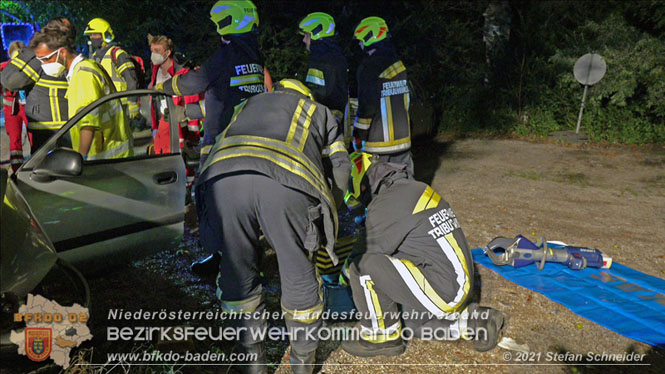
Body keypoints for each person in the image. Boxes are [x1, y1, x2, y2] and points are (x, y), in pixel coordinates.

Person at [196, 79, 350, 374]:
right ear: (304, 95)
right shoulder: (318, 110)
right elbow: (341, 166)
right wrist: (330, 209)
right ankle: (303, 361)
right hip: (285, 181)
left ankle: (252, 361)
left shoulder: (246, 105)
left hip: (222, 181)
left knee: (237, 268)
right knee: (297, 270)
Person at [339, 153, 504, 357]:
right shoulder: (412, 189)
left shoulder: (388, 203)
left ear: (361, 185)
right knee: (406, 320)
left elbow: (365, 251)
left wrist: (343, 277)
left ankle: (381, 338)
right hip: (456, 284)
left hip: (444, 289)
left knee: (361, 266)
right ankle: (477, 321)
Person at [154, 0, 266, 276]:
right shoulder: (252, 57)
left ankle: (224, 262)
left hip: (220, 146)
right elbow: (226, 99)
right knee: (242, 206)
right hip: (247, 141)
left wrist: (163, 87)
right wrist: (188, 112)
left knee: (210, 202)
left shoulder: (225, 57)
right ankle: (243, 258)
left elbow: (195, 81)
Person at [30, 27, 133, 160]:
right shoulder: (83, 69)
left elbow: (87, 122)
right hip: (107, 155)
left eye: (45, 59)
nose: (43, 64)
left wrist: (79, 158)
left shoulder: (83, 74)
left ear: (62, 52)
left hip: (106, 159)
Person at [352, 17, 414, 176]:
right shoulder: (399, 64)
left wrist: (358, 136)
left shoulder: (368, 67)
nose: (359, 44)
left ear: (368, 38)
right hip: (403, 141)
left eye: (360, 40)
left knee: (380, 191)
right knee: (406, 186)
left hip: (379, 144)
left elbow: (366, 107)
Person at [0, 18, 72, 151]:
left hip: (48, 131)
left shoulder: (42, 57)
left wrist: (29, 51)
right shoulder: (65, 54)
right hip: (64, 128)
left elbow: (9, 81)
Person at [298, 12, 349, 146]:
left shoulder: (319, 61)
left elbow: (313, 96)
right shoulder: (337, 56)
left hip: (321, 127)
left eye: (306, 35)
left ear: (316, 33)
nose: (304, 40)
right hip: (336, 123)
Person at [83, 18, 140, 118]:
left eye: (95, 34)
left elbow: (131, 80)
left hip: (121, 105)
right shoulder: (93, 56)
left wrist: (132, 102)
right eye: (91, 35)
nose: (92, 37)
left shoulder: (118, 54)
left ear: (105, 35)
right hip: (102, 105)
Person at [1, 42, 29, 171]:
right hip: (12, 110)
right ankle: (17, 169)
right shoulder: (4, 68)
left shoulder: (31, 67)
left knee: (34, 137)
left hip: (26, 106)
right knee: (15, 140)